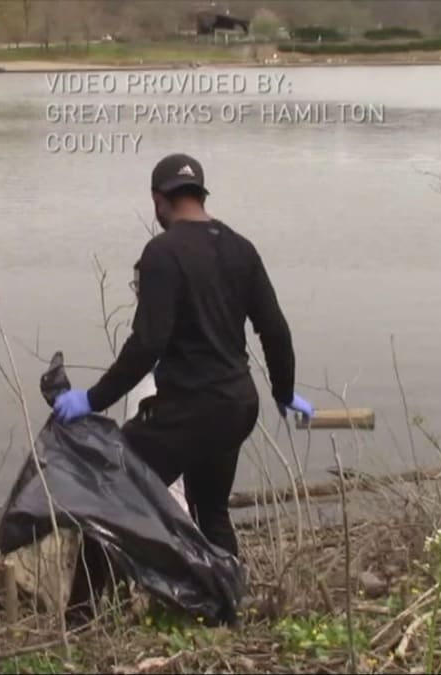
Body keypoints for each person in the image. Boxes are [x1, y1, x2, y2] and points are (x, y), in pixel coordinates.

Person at [52, 153, 313, 625]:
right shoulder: (241, 248)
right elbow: (275, 329)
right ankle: (226, 614)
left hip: (192, 407)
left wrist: (90, 400)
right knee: (211, 510)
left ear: (158, 200)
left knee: (108, 497)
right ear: (201, 195)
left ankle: (83, 621)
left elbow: (146, 344)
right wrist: (284, 390)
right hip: (237, 404)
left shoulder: (162, 253)